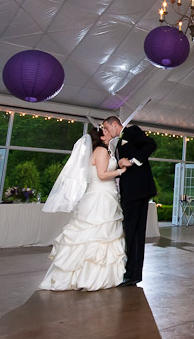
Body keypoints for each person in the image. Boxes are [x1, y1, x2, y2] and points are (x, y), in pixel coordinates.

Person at [40, 127, 127, 291]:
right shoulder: (101, 151)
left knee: (98, 235)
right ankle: (89, 278)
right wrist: (121, 171)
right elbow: (101, 175)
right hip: (100, 197)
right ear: (102, 135)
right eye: (107, 130)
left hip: (104, 195)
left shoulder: (103, 150)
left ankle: (90, 276)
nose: (110, 132)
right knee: (98, 235)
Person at [102, 116, 158, 286]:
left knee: (134, 232)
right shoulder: (118, 143)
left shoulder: (132, 131)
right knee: (131, 231)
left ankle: (132, 275)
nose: (106, 131)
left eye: (106, 127)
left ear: (114, 124)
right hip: (130, 192)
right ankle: (131, 272)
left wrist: (132, 161)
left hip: (138, 191)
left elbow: (151, 144)